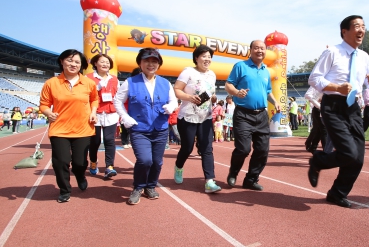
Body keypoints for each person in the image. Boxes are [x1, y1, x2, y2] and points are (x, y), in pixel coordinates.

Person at [307, 15, 369, 208]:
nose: (362, 30)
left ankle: (337, 193)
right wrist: (336, 87)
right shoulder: (332, 52)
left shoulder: (364, 57)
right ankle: (318, 160)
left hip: (354, 107)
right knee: (348, 153)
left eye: (364, 26)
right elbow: (314, 79)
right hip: (333, 105)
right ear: (344, 31)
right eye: (357, 26)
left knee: (358, 158)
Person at [113, 48, 178, 205]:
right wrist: (125, 117)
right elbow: (117, 101)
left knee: (157, 162)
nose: (151, 64)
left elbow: (174, 100)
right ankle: (138, 187)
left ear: (159, 64)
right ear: (140, 63)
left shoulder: (165, 83)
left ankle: (150, 186)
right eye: (147, 61)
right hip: (139, 129)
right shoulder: (130, 82)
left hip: (160, 128)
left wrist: (171, 106)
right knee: (144, 160)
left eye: (154, 61)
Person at [39, 49, 98, 203]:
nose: (73, 64)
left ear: (82, 65)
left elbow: (94, 100)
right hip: (59, 129)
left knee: (80, 163)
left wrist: (93, 112)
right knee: (61, 161)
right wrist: (47, 113)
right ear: (62, 61)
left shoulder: (89, 83)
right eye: (70, 60)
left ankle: (80, 175)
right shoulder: (51, 83)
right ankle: (65, 190)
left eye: (77, 62)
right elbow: (44, 104)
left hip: (83, 128)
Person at [225, 40, 281, 191]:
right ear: (250, 50)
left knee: (263, 150)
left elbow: (268, 91)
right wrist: (237, 92)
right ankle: (233, 173)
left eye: (262, 48)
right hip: (243, 114)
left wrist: (275, 102)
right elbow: (228, 84)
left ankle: (251, 179)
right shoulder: (240, 66)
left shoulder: (265, 70)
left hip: (262, 115)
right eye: (256, 48)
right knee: (243, 149)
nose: (260, 51)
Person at [172, 44, 221, 194]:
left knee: (207, 148)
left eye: (209, 57)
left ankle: (209, 181)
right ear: (196, 58)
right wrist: (189, 97)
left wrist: (213, 98)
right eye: (204, 56)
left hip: (205, 117)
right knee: (187, 148)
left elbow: (211, 93)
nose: (207, 59)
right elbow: (176, 90)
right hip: (188, 116)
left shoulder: (212, 74)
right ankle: (179, 167)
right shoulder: (188, 72)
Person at [86, 54, 120, 179]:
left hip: (111, 113)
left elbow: (118, 96)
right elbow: (85, 94)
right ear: (95, 63)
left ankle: (109, 166)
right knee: (95, 141)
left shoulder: (114, 79)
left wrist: (120, 112)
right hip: (95, 113)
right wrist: (98, 86)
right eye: (102, 62)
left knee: (109, 140)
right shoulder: (88, 78)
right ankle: (93, 162)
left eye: (107, 62)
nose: (105, 64)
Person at [304, 86, 326, 153]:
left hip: (325, 108)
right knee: (323, 129)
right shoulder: (317, 84)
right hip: (318, 109)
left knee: (318, 129)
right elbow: (307, 95)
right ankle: (326, 151)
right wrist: (318, 105)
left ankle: (312, 146)